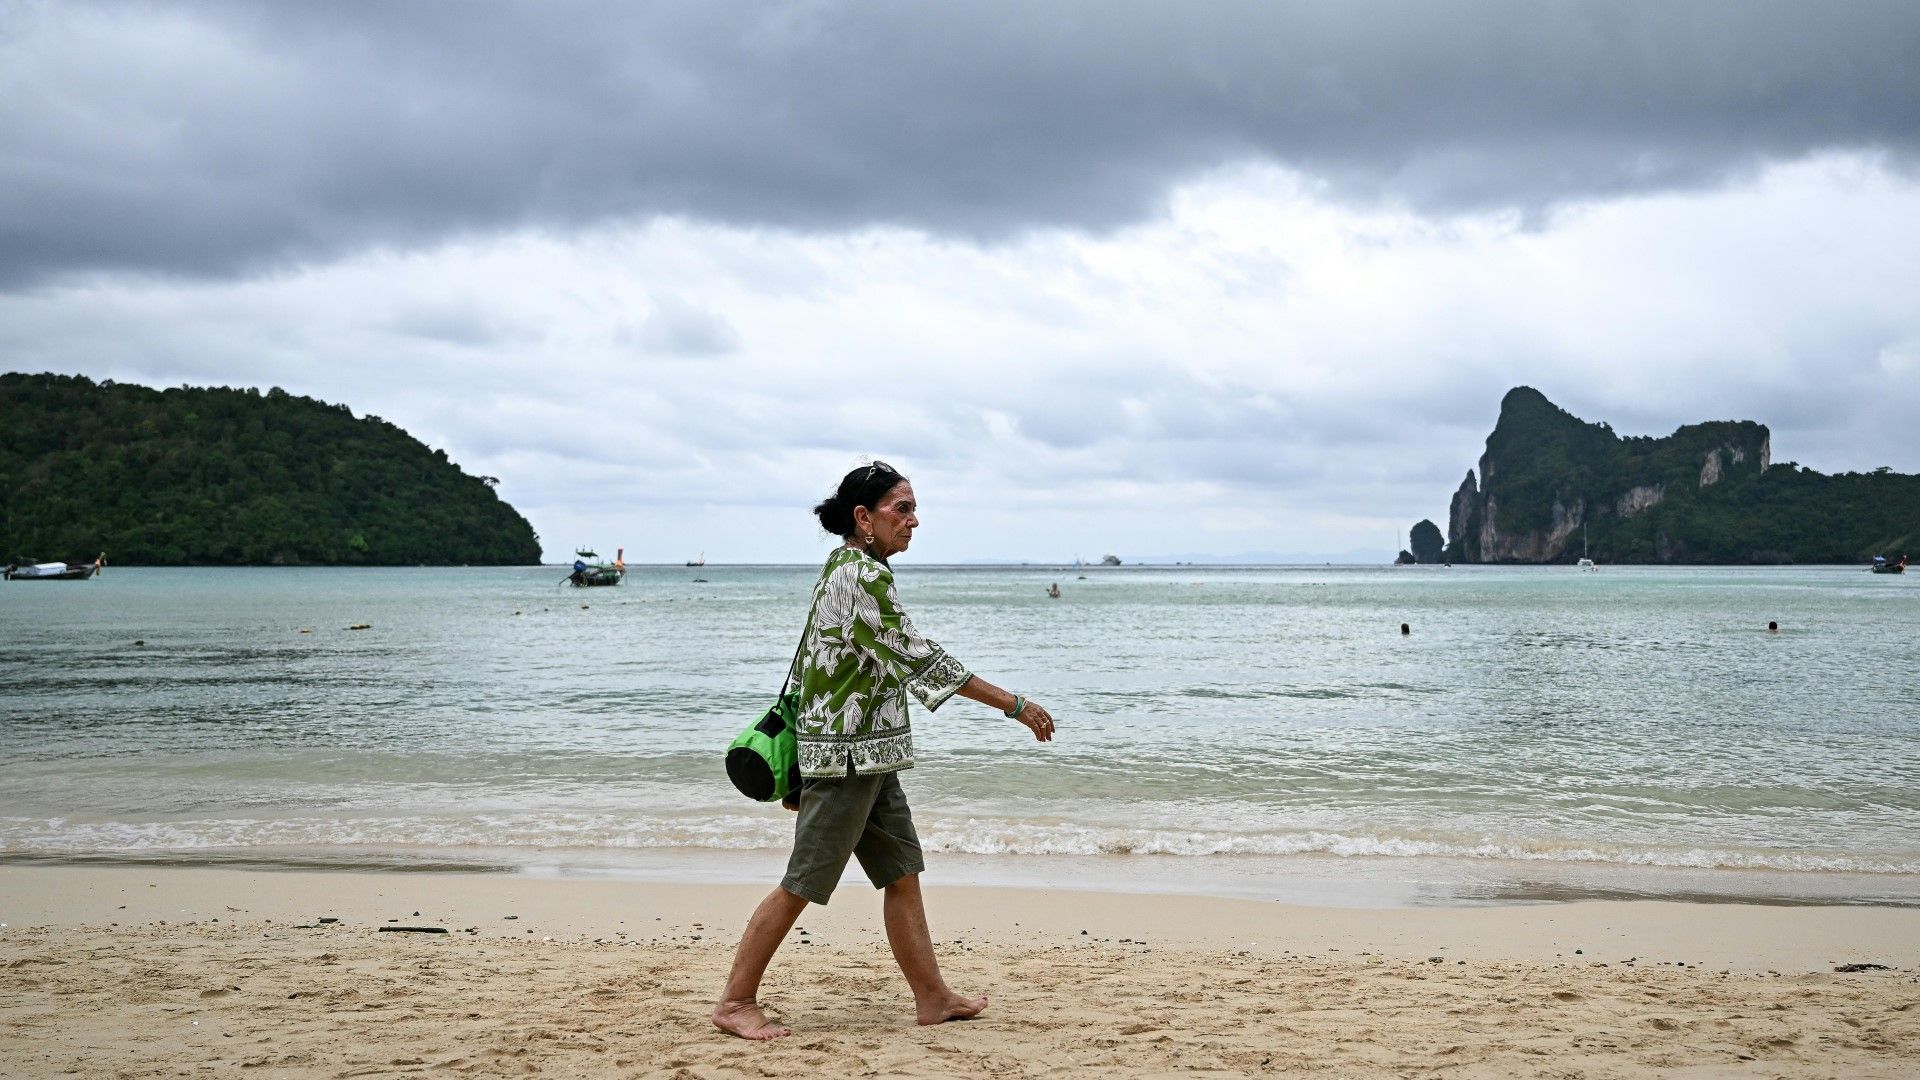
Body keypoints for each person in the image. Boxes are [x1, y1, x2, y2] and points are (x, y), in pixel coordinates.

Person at [712, 460, 1056, 1041]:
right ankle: (735, 1000)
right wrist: (1012, 704)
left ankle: (933, 997)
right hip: (846, 759)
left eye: (915, 509)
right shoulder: (860, 577)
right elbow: (918, 657)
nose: (914, 521)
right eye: (903, 509)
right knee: (803, 881)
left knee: (901, 874)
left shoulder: (850, 568)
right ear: (863, 517)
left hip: (872, 755)